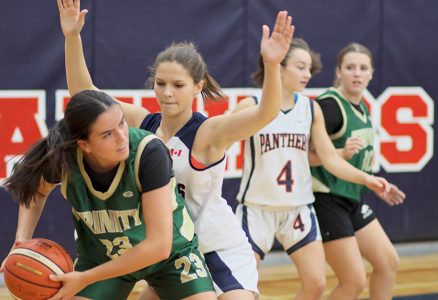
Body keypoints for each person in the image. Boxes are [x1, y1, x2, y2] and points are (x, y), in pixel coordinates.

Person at [58, 0, 295, 298]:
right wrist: (72, 37)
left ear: (197, 87)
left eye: (178, 85)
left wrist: (272, 66)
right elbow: (85, 94)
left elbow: (265, 114)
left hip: (213, 247)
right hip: (170, 251)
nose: (167, 92)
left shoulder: (207, 132)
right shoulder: (141, 125)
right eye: (160, 83)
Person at [1, 90, 217, 300]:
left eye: (122, 123)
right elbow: (37, 190)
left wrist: (85, 278)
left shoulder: (148, 152)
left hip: (170, 256)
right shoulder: (66, 158)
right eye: (107, 134)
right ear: (84, 145)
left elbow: (159, 246)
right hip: (103, 257)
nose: (121, 137)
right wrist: (22, 238)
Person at [233, 38, 402, 300]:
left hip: (299, 207)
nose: (307, 74)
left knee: (316, 284)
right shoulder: (250, 105)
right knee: (242, 287)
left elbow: (329, 159)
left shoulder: (310, 108)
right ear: (279, 66)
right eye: (300, 67)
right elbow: (215, 142)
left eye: (309, 68)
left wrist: (368, 179)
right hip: (257, 208)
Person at [310, 43, 406, 300]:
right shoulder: (330, 106)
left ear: (372, 73)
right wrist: (339, 154)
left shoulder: (362, 108)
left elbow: (358, 163)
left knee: (388, 262)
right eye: (350, 68)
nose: (357, 73)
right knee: (353, 282)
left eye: (363, 68)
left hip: (352, 198)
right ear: (339, 72)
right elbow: (303, 155)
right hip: (326, 199)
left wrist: (375, 185)